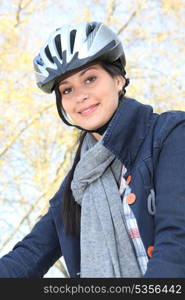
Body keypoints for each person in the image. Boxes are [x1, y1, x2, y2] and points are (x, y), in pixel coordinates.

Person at [0, 21, 185, 278]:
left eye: (90, 78)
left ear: (118, 79)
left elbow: (177, 241)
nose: (80, 96)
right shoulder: (77, 185)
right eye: (67, 89)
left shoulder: (170, 134)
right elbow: (27, 257)